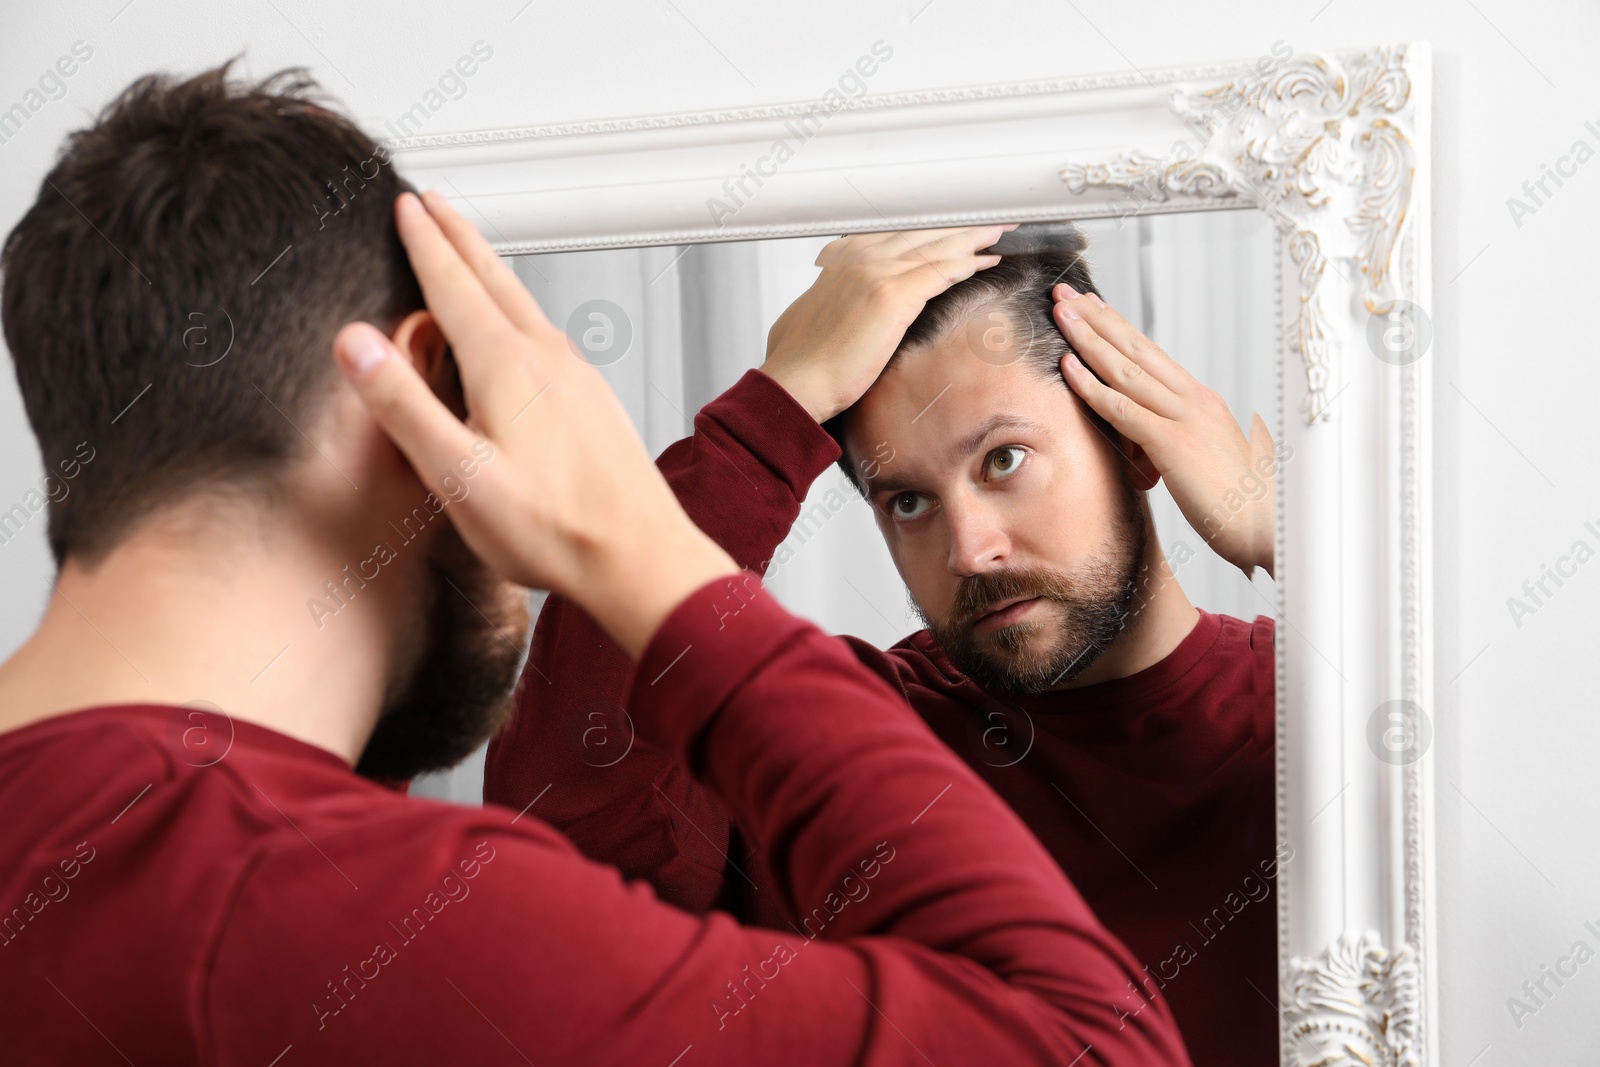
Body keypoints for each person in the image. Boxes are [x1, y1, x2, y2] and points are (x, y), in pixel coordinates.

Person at [0, 64, 1194, 1066]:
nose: (971, 543)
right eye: (905, 497)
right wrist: (634, 539)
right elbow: (1089, 1041)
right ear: (424, 381)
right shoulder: (336, 907)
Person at [484, 227, 1287, 1065]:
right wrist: (772, 414)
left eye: (1003, 459)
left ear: (1132, 441)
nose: (969, 550)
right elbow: (557, 856)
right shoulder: (852, 736)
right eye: (907, 501)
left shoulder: (1309, 705)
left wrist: (1298, 543)